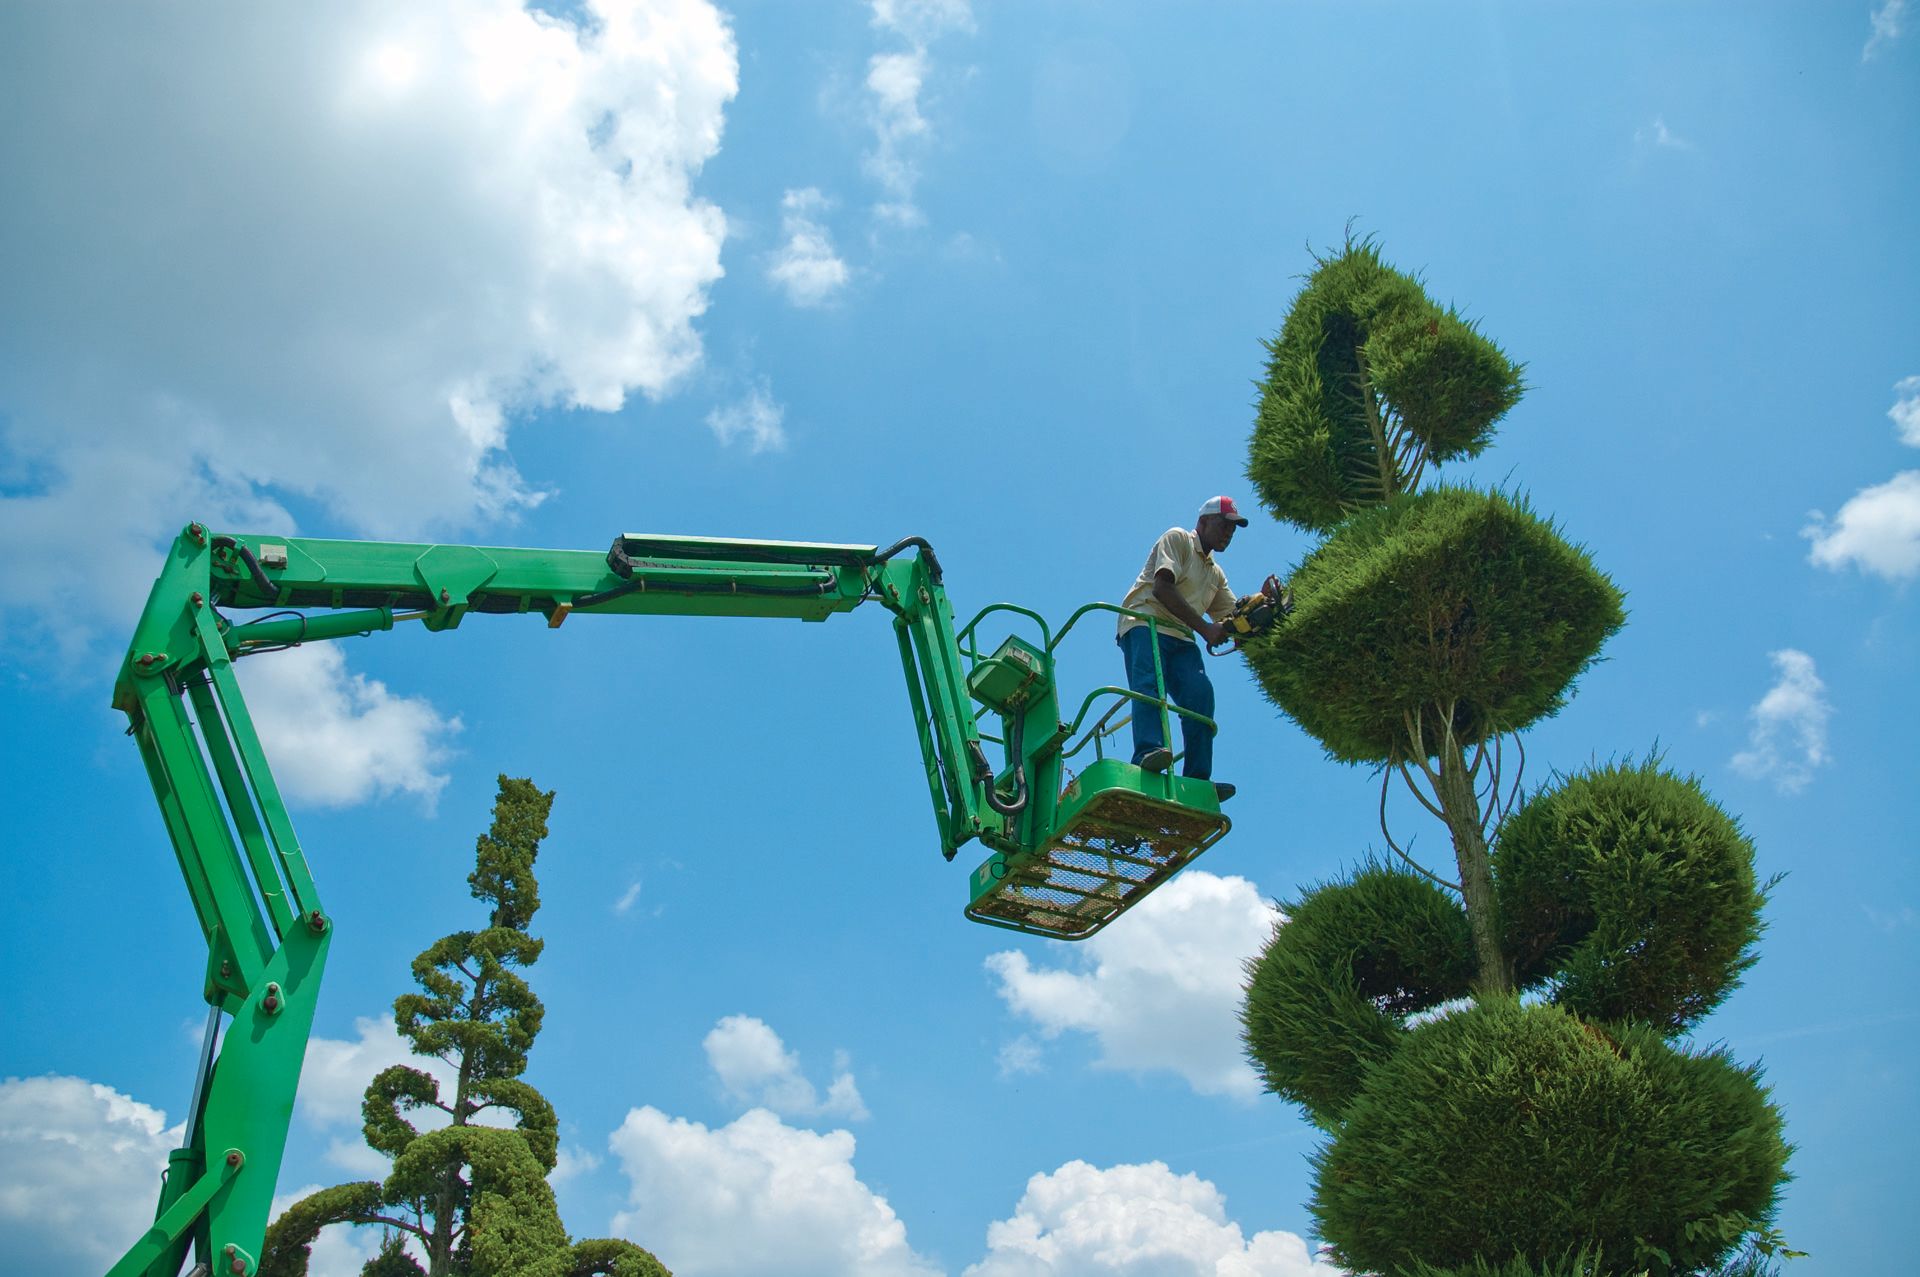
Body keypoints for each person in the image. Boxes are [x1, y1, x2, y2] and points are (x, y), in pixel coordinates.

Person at [1115, 496, 1281, 802]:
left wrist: (1262, 605)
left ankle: (1196, 779)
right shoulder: (1178, 539)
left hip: (1181, 636)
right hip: (1144, 621)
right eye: (1224, 525)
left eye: (1234, 529)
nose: (1229, 533)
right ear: (1203, 522)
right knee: (1149, 687)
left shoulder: (1215, 574)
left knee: (1200, 696)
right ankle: (1149, 753)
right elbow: (1162, 587)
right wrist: (1205, 629)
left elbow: (1231, 618)